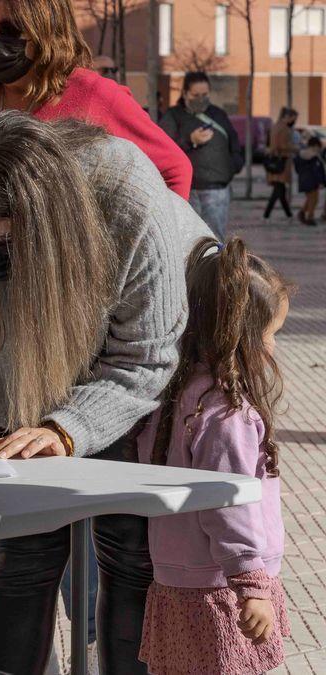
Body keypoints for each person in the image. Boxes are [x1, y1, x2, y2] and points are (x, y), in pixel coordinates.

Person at [0, 112, 212, 675]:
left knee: (129, 550)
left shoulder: (126, 198)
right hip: (19, 388)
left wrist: (67, 428)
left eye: (5, 241)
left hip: (135, 381)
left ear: (48, 222)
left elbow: (146, 356)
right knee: (25, 548)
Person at [137, 237, 293, 674]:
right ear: (240, 336)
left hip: (178, 579)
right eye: (270, 334)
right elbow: (227, 503)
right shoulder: (227, 415)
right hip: (220, 586)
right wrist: (251, 583)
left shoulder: (177, 397)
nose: (273, 348)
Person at [0, 0, 192, 198]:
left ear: (45, 33)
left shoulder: (94, 94)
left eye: (10, 30)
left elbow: (174, 171)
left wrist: (137, 249)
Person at [159, 72, 245, 239]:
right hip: (187, 191)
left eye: (205, 95)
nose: (201, 99)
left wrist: (232, 167)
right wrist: (190, 140)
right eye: (196, 95)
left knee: (214, 238)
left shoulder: (218, 114)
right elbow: (164, 148)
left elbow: (234, 143)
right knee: (188, 239)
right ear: (185, 93)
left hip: (217, 190)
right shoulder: (173, 116)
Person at [264, 107, 298, 220]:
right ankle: (267, 215)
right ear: (287, 117)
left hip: (275, 161)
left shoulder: (275, 126)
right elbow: (282, 145)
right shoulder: (284, 129)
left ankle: (289, 215)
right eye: (293, 118)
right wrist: (294, 148)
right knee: (278, 190)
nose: (294, 121)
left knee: (280, 190)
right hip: (281, 162)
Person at [294, 136, 325, 226]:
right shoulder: (314, 157)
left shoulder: (300, 155)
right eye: (319, 147)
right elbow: (317, 171)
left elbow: (297, 168)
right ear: (315, 146)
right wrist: (321, 182)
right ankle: (310, 217)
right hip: (313, 181)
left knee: (310, 199)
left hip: (303, 180)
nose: (319, 149)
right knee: (314, 200)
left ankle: (302, 213)